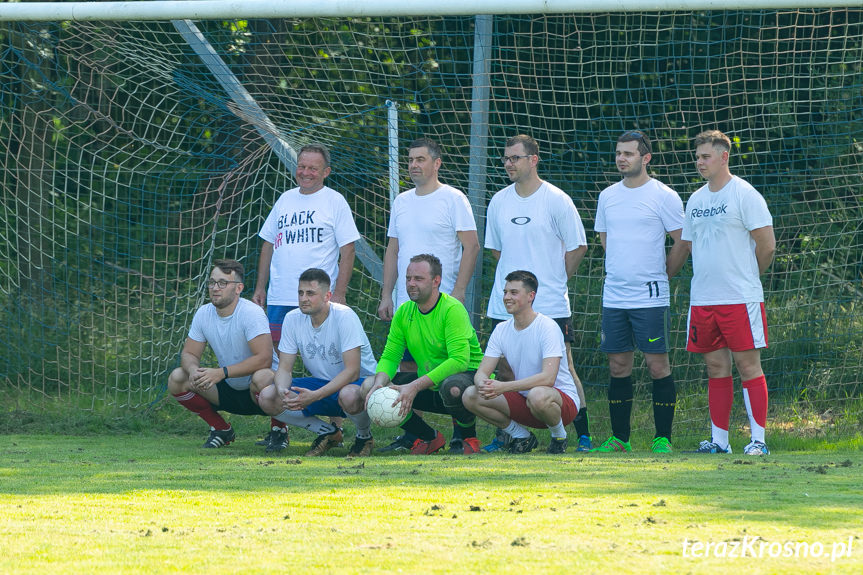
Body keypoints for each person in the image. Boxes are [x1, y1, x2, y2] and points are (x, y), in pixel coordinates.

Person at [484, 134, 592, 451]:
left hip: (550, 304)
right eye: (505, 158)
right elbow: (497, 252)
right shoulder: (498, 201)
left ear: (533, 160)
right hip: (503, 304)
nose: (508, 163)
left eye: (515, 158)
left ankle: (583, 434)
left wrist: (552, 281)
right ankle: (512, 434)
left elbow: (578, 247)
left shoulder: (556, 199)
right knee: (504, 369)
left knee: (566, 368)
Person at [376, 137, 480, 454]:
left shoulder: (453, 199)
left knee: (451, 373)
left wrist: (459, 290)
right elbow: (392, 250)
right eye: (410, 160)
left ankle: (462, 434)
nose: (414, 165)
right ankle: (417, 435)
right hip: (407, 300)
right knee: (406, 369)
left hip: (441, 301)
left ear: (436, 163)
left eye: (421, 159)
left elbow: (472, 245)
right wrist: (386, 295)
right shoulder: (402, 201)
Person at [253, 143, 360, 447]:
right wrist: (261, 288)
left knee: (331, 361)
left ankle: (336, 426)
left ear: (326, 172)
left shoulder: (334, 201)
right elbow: (267, 244)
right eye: (302, 166)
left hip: (318, 298)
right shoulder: (285, 200)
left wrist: (338, 293)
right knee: (275, 364)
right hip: (280, 296)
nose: (306, 172)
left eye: (313, 168)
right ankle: (279, 429)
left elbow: (348, 248)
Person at [591, 130, 688, 454]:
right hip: (614, 297)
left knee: (657, 366)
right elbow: (606, 240)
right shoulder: (607, 196)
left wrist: (663, 273)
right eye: (619, 153)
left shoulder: (664, 196)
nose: (621, 158)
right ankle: (620, 438)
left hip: (651, 298)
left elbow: (682, 241)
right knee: (618, 366)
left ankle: (663, 438)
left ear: (645, 158)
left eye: (628, 153)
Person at [682, 130, 775, 455]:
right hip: (704, 300)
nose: (699, 162)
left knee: (748, 367)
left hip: (740, 299)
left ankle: (758, 442)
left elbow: (767, 246)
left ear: (724, 156)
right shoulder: (695, 199)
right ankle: (720, 442)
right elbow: (691, 246)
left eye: (705, 156)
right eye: (697, 157)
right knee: (715, 368)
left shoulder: (744, 194)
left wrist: (748, 278)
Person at [359, 254, 484, 455]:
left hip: (467, 383)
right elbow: (390, 356)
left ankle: (467, 437)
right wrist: (380, 383)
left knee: (452, 386)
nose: (411, 284)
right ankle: (429, 437)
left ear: (436, 281)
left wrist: (414, 386)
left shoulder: (452, 309)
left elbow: (460, 361)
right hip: (430, 384)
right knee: (368, 386)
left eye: (418, 279)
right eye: (408, 278)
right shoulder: (404, 312)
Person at [256, 268, 378, 457]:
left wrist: (315, 396)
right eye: (300, 293)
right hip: (322, 384)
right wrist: (283, 390)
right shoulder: (292, 319)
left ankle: (364, 437)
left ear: (327, 296)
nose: (303, 298)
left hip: (360, 386)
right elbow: (284, 369)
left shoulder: (344, 316)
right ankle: (328, 433)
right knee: (268, 396)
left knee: (348, 395)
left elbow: (353, 371)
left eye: (310, 293)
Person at [464, 271, 581, 454]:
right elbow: (481, 372)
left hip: (558, 403)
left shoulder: (548, 327)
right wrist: (483, 385)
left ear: (531, 296)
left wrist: (502, 387)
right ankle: (521, 436)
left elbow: (548, 378)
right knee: (470, 394)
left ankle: (559, 437)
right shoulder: (501, 329)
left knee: (538, 395)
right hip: (526, 400)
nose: (507, 297)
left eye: (513, 292)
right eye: (505, 292)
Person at [168, 259, 276, 448]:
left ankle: (279, 430)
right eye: (212, 282)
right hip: (228, 387)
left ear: (238, 288)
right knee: (178, 377)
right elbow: (189, 354)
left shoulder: (251, 313)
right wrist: (193, 370)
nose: (215, 288)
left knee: (263, 376)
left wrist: (221, 372)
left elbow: (264, 359)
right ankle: (221, 429)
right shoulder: (203, 313)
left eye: (223, 283)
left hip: (260, 391)